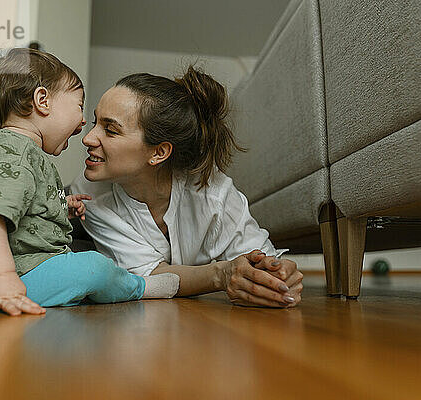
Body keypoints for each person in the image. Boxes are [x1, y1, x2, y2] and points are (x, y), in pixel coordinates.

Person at [0, 48, 179, 316]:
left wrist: (58, 206)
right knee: (94, 266)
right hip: (8, 280)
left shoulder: (17, 152)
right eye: (79, 106)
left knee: (80, 268)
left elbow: (17, 205)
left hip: (17, 273)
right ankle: (139, 287)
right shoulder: (9, 151)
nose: (82, 123)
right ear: (42, 100)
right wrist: (2, 278)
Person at [71, 67, 303, 308]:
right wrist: (221, 274)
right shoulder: (87, 195)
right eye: (96, 122)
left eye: (110, 130)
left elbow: (257, 255)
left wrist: (275, 276)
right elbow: (147, 277)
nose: (88, 138)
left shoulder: (212, 190)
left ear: (159, 152)